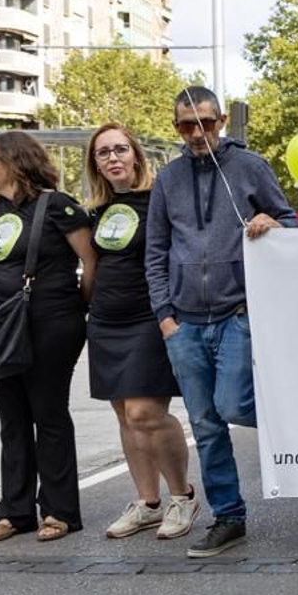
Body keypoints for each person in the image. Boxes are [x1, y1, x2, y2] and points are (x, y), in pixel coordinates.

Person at [147, 86, 297, 558]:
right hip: (184, 323)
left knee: (231, 405)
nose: (197, 134)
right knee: (205, 424)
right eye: (186, 126)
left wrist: (272, 224)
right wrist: (164, 316)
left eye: (206, 123)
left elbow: (289, 221)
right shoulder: (167, 180)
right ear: (177, 130)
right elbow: (155, 250)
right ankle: (228, 516)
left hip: (236, 313)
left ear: (221, 123)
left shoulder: (249, 166)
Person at [0, 132, 97, 544]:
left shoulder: (58, 205)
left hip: (51, 321)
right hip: (0, 324)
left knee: (48, 414)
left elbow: (89, 262)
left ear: (14, 161)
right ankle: (16, 511)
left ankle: (60, 511)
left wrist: (73, 307)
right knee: (11, 420)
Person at [84, 125, 197, 543]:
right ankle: (147, 503)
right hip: (105, 320)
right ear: (95, 163)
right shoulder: (96, 209)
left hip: (149, 317)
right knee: (123, 416)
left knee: (144, 413)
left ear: (136, 155)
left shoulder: (159, 199)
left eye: (120, 150)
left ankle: (182, 496)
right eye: (103, 153)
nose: (112, 159)